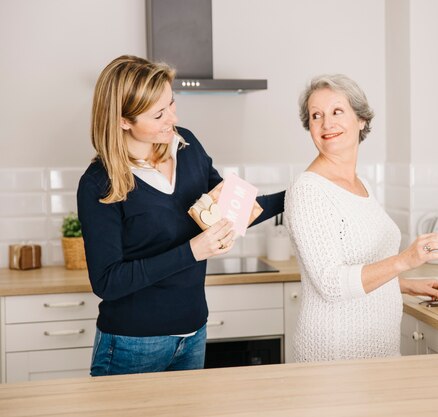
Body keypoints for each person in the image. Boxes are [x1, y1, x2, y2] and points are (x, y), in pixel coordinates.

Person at [77, 55, 284, 376]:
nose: (172, 118)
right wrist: (193, 251)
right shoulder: (99, 183)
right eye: (159, 113)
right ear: (123, 120)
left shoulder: (186, 146)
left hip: (193, 332)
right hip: (133, 343)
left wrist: (292, 198)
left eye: (171, 103)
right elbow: (107, 282)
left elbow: (233, 210)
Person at [285, 74, 438, 362]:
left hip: (379, 351)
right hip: (335, 356)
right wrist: (406, 260)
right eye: (317, 116)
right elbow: (331, 283)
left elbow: (358, 266)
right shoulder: (308, 191)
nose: (327, 124)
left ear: (361, 119)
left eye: (337, 111)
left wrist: (404, 284)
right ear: (309, 126)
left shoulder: (359, 183)